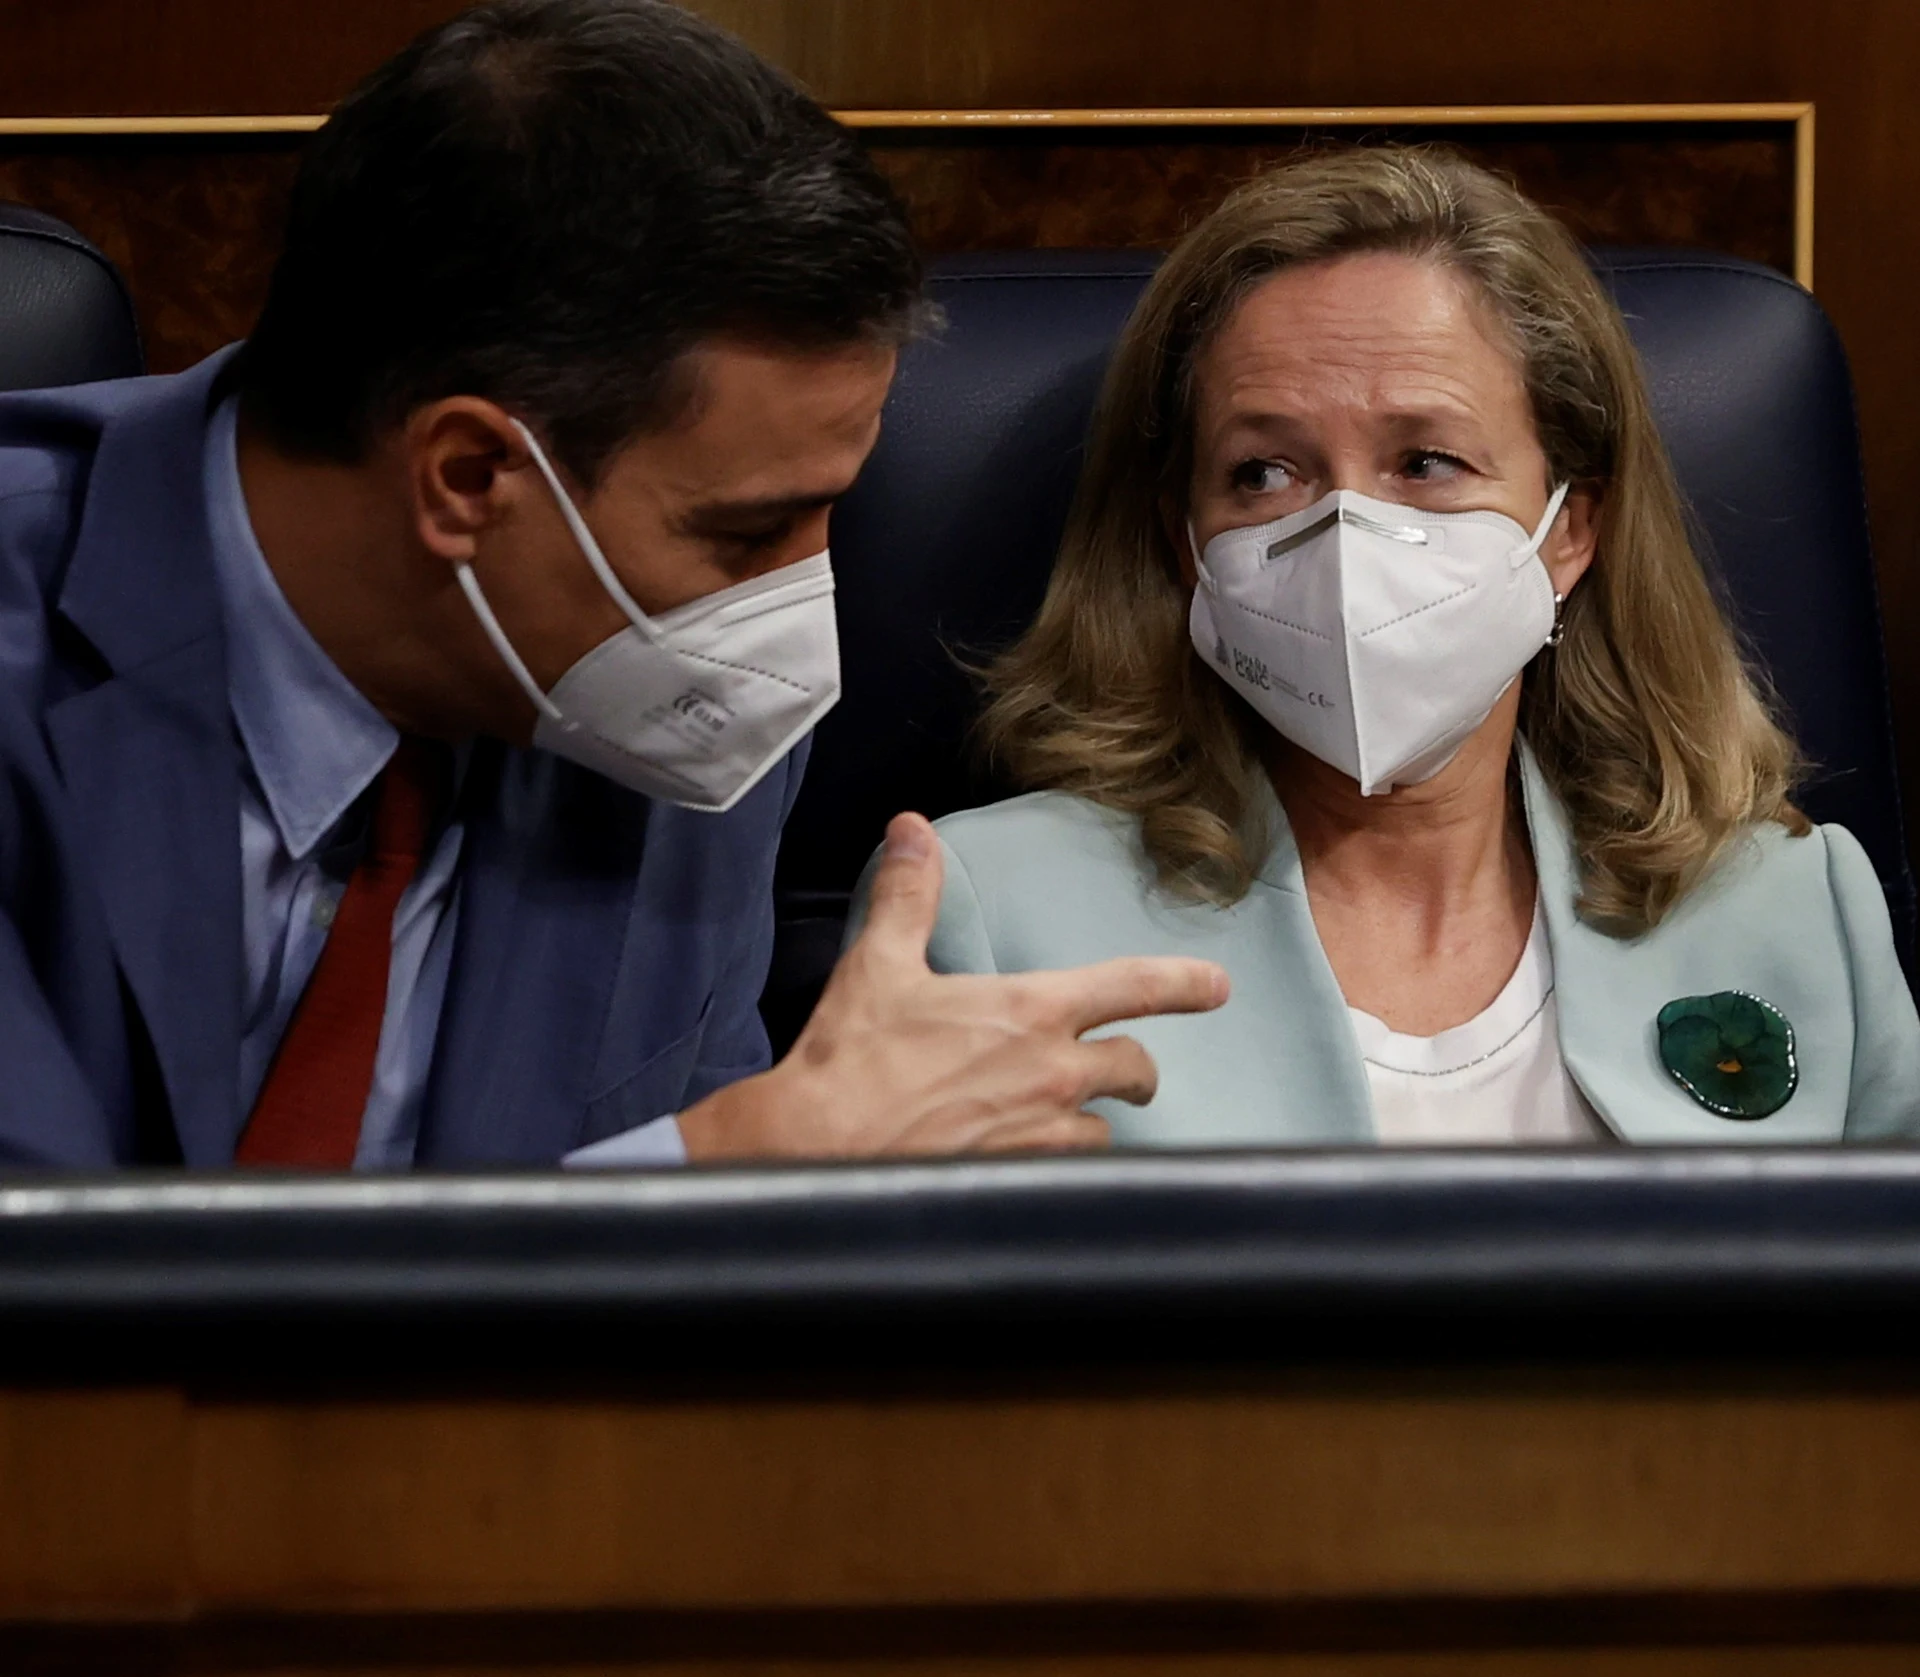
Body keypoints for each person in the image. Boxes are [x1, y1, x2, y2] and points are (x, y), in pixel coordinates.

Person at [0, 0, 1225, 1169]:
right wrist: (722, 1176)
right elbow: (56, 1326)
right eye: (748, 534)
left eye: (827, 518)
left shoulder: (685, 714)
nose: (795, 620)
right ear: (468, 474)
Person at [871, 147, 1920, 1145]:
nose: (1345, 535)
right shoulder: (990, 913)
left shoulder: (1792, 904)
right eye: (1263, 472)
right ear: (1184, 543)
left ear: (1569, 529)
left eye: (1425, 461)